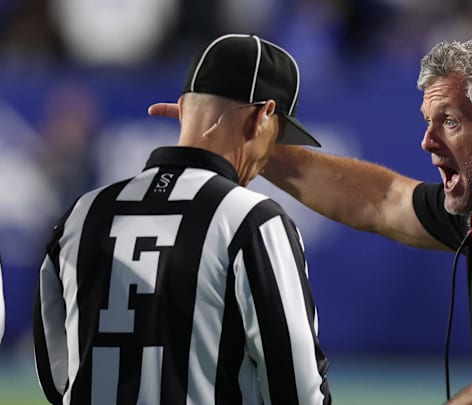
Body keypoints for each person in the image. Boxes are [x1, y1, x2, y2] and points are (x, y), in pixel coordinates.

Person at [148, 36, 472, 404]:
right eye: (427, 122)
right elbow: (380, 201)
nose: (427, 142)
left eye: (450, 122)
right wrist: (250, 143)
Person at [34, 34, 330, 405]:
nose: (273, 153)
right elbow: (298, 389)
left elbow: (56, 374)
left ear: (182, 108)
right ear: (262, 116)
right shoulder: (254, 221)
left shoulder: (82, 213)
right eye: (279, 135)